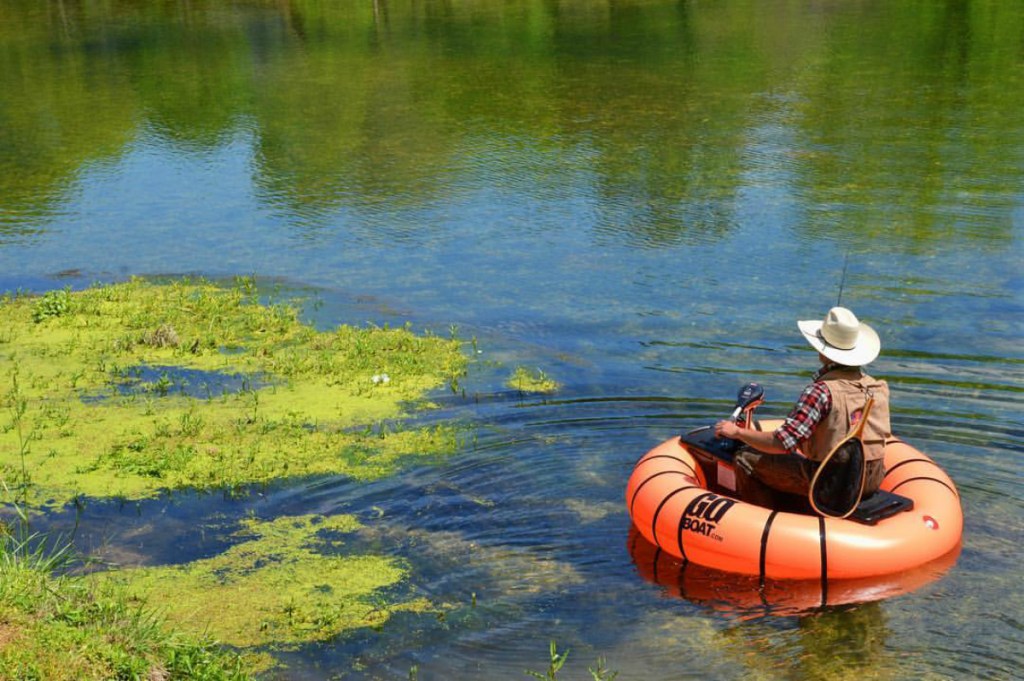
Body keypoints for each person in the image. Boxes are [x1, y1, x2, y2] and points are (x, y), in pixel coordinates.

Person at [714, 307, 891, 510]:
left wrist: (737, 432)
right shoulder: (877, 387)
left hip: (832, 482)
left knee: (745, 458)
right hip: (872, 479)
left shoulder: (820, 392)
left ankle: (767, 522)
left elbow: (782, 443)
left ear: (823, 350)